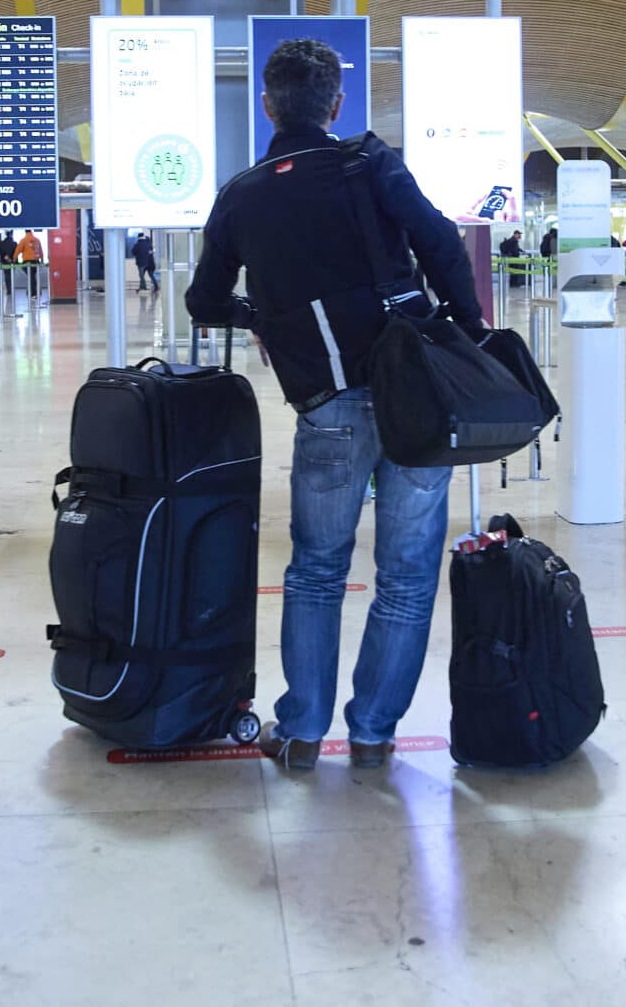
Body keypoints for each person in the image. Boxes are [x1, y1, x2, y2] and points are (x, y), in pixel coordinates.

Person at [187, 38, 484, 774]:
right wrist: (470, 331)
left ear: (267, 104)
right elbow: (440, 242)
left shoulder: (242, 193)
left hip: (326, 403)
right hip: (415, 394)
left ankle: (301, 730)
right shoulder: (369, 161)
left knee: (317, 568)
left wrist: (258, 314)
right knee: (408, 572)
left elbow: (203, 301)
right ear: (336, 104)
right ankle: (376, 732)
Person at [15, 229, 43, 297]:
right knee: (33, 276)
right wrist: (42, 260)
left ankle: (33, 292)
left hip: (27, 261)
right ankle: (35, 290)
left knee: (31, 277)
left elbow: (18, 250)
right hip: (36, 261)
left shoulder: (23, 240)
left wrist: (14, 259)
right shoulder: (37, 240)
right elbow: (41, 251)